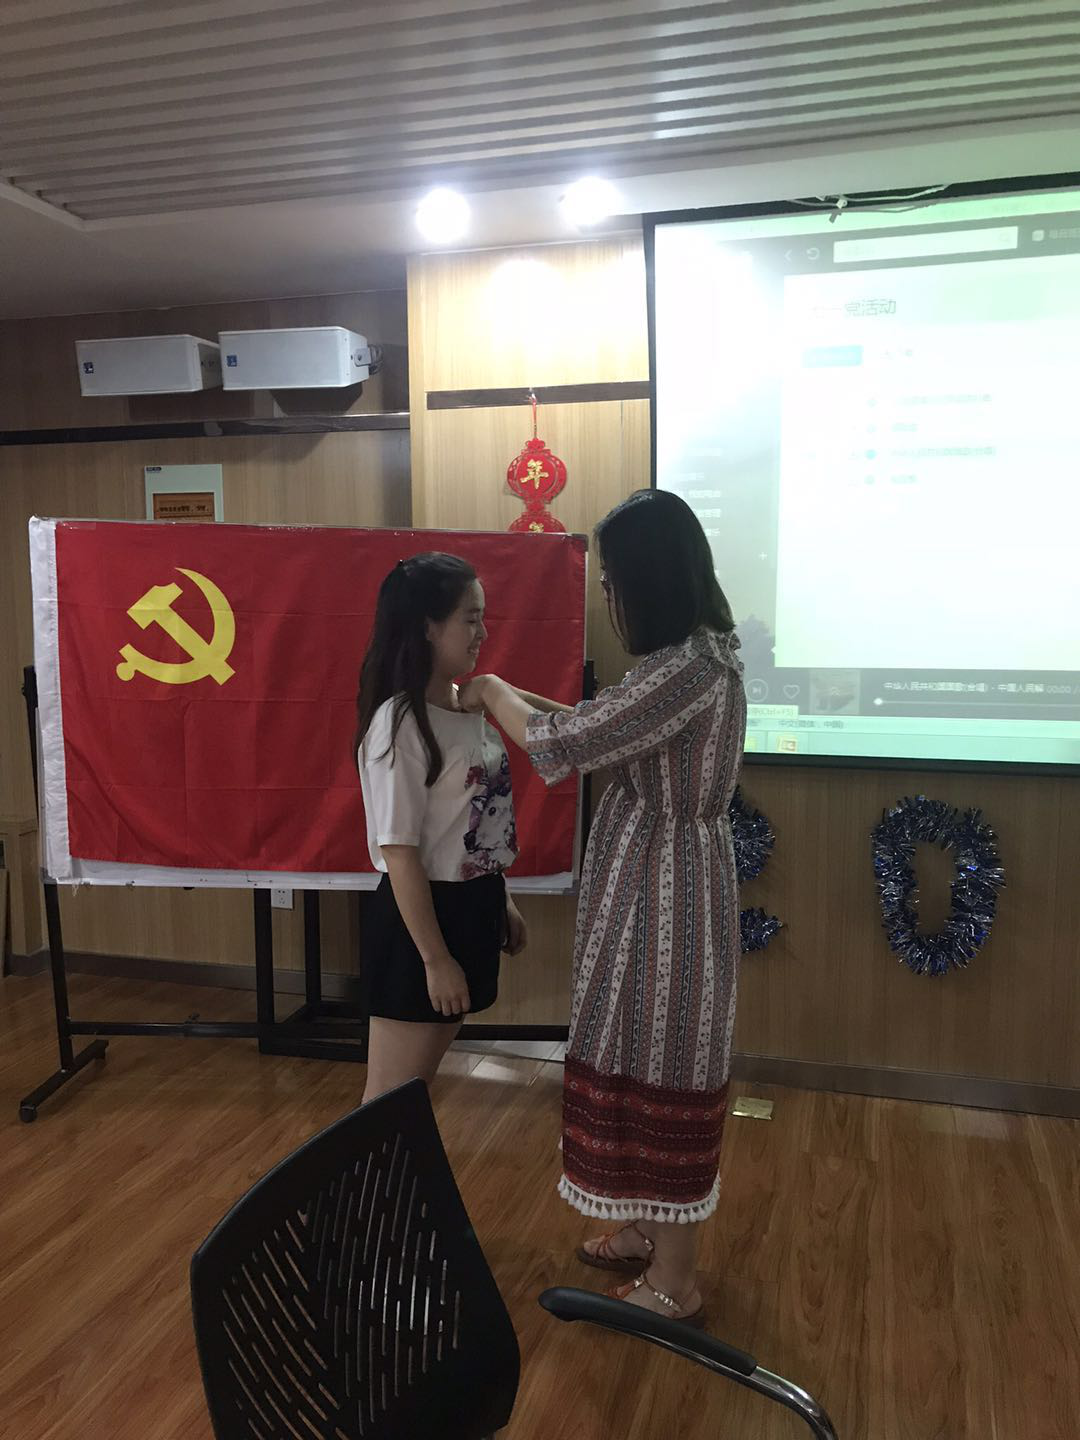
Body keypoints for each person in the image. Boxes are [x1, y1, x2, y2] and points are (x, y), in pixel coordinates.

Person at [460, 490, 745, 1327]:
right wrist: (516, 696)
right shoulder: (693, 657)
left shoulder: (689, 670)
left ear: (647, 582)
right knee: (629, 1049)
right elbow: (601, 726)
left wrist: (491, 689)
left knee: (663, 1063)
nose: (611, 598)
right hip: (648, 886)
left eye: (614, 583)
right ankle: (642, 1226)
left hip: (667, 895)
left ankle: (676, 1281)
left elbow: (569, 743)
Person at [355, 552, 528, 1105]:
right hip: (421, 921)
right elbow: (401, 852)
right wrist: (435, 959)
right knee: (390, 1098)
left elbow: (468, 823)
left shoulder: (465, 706)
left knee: (415, 1088)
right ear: (428, 627)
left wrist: (499, 896)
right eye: (470, 618)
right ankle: (371, 1170)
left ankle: (399, 1167)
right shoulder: (399, 722)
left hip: (471, 906)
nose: (482, 633)